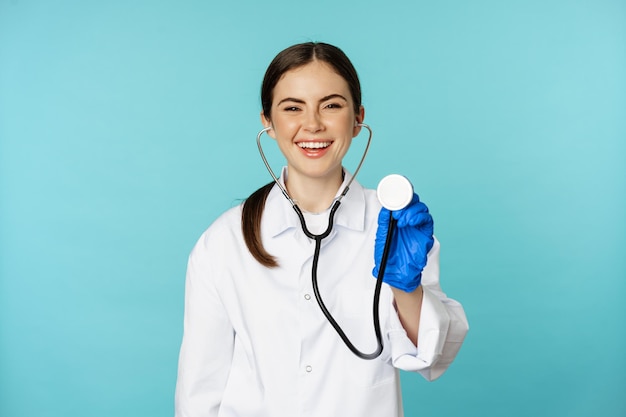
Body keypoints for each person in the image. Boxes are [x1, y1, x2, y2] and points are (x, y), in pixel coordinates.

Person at [175, 42, 468, 417]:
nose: (312, 124)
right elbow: (199, 394)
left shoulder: (396, 225)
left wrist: (405, 288)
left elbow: (435, 356)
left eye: (331, 105)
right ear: (267, 120)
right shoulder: (223, 242)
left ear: (358, 118)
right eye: (292, 107)